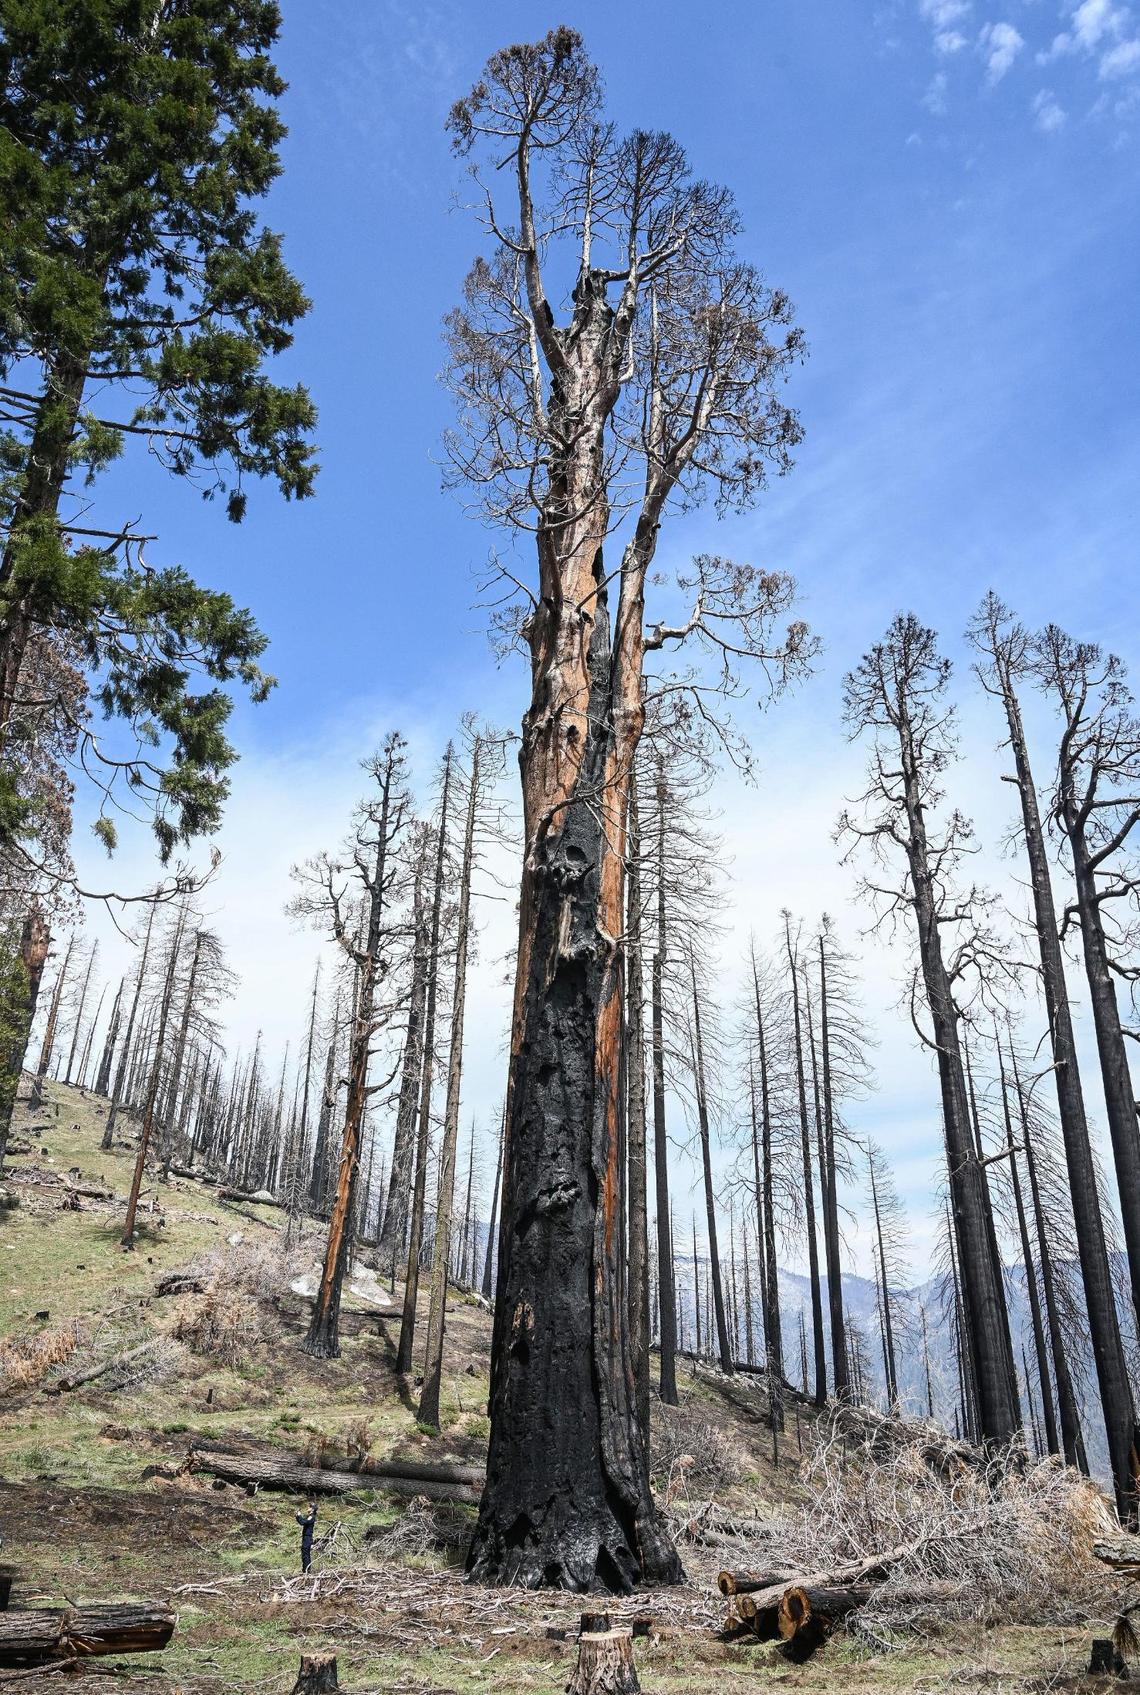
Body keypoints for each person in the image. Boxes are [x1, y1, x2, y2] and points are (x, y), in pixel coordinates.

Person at [295, 1499, 318, 1572]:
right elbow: (302, 1522)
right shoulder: (310, 1516)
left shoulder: (311, 1517)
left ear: (312, 1509)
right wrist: (298, 1516)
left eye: (309, 1507)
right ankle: (305, 1570)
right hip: (306, 1538)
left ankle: (307, 1571)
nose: (308, 1508)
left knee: (306, 1554)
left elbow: (303, 1522)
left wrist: (299, 1515)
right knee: (305, 1553)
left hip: (307, 1538)